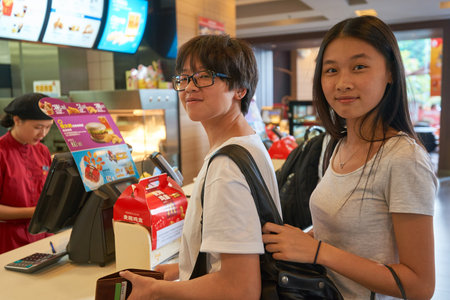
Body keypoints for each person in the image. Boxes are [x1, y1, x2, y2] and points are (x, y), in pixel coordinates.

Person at [262, 16, 438, 299]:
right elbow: (343, 240)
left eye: (359, 67)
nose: (342, 83)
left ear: (390, 72)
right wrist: (295, 242)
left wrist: (318, 251)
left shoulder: (404, 158)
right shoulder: (338, 145)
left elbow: (419, 286)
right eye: (331, 70)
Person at [120, 34, 282, 299]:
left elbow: (240, 289)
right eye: (184, 78)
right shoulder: (248, 144)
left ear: (239, 89)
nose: (189, 87)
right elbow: (228, 259)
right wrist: (178, 270)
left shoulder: (226, 169)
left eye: (204, 76)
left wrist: (155, 290)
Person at [0, 93, 54, 254]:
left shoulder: (42, 150)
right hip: (10, 241)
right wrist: (33, 212)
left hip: (43, 236)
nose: (43, 134)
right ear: (17, 120)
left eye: (48, 127)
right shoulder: (2, 153)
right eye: (38, 127)